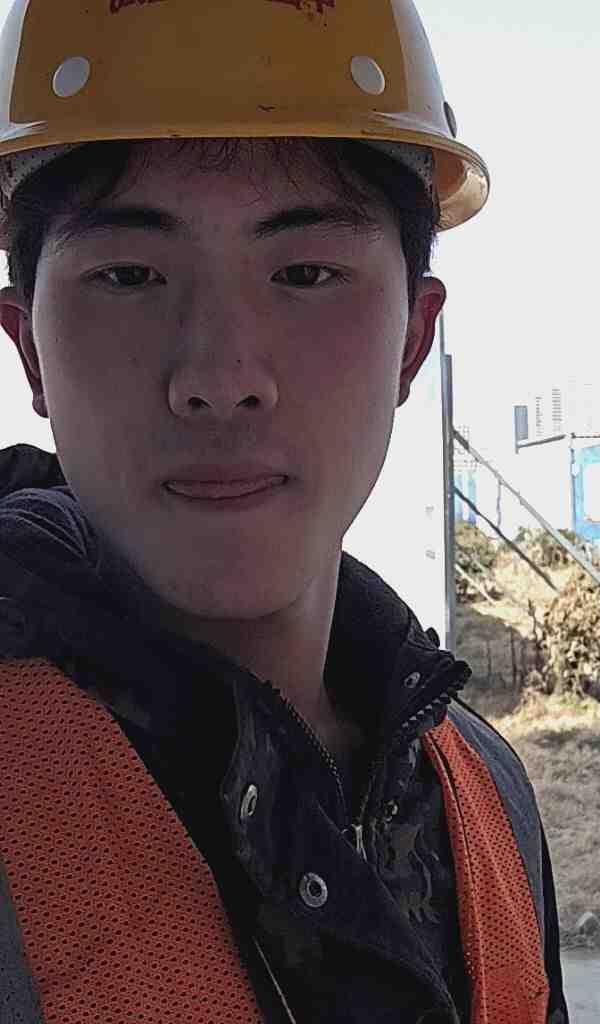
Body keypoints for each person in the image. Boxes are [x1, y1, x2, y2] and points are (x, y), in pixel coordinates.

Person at [0, 1, 569, 1021]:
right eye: (129, 274)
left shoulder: (486, 793)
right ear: (30, 348)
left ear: (411, 341)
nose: (220, 378)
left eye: (306, 273)